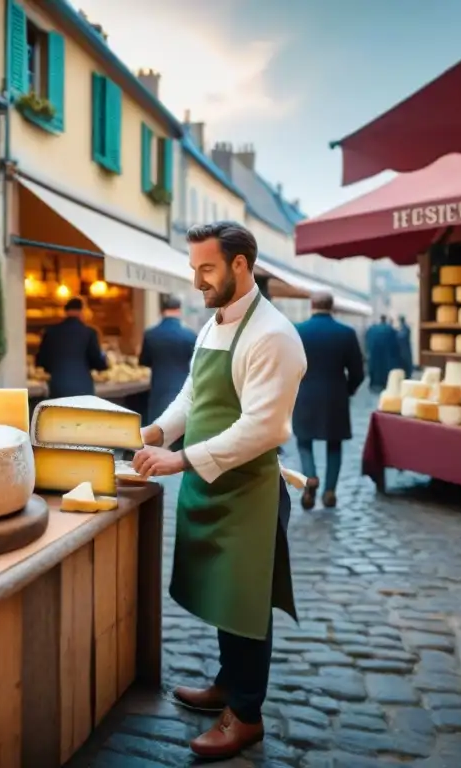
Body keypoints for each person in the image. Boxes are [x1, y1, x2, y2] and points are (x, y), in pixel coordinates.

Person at [132, 221, 307, 759]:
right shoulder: (212, 325)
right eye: (194, 270)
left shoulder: (274, 335)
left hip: (249, 493)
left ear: (239, 265)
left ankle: (246, 714)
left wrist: (179, 458)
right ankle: (229, 682)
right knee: (222, 598)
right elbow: (193, 395)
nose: (198, 281)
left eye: (206, 269)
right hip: (212, 485)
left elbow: (265, 429)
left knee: (246, 604)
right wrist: (156, 432)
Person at [292, 292, 365, 510]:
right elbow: (358, 372)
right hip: (335, 397)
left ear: (311, 305)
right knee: (335, 444)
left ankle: (310, 477)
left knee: (303, 440)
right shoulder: (346, 333)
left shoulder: (297, 331)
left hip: (304, 395)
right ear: (332, 307)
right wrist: (348, 390)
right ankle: (330, 491)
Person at [139, 295, 197, 451]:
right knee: (180, 446)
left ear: (161, 311)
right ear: (179, 310)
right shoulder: (190, 336)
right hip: (183, 392)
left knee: (154, 443)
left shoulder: (151, 334)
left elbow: (144, 361)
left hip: (159, 391)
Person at [34, 297, 107, 398]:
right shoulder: (89, 332)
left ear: (65, 312)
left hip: (58, 386)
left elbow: (41, 361)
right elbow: (98, 363)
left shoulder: (50, 332)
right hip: (83, 387)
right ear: (82, 311)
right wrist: (103, 357)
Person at [365, 314, 398, 391]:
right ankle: (384, 384)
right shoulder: (390, 329)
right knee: (384, 368)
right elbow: (395, 343)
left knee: (374, 367)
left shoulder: (373, 329)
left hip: (374, 352)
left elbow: (368, 339)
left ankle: (373, 383)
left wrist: (368, 351)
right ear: (385, 319)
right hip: (386, 353)